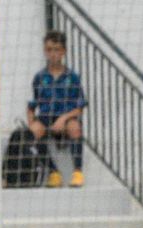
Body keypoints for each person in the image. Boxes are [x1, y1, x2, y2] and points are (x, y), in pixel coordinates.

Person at [27, 30, 87, 188]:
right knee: (32, 131)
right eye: (49, 50)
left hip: (66, 117)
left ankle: (78, 172)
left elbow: (80, 107)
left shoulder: (72, 77)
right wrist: (31, 120)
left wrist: (63, 119)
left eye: (57, 49)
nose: (53, 54)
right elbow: (32, 105)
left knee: (75, 127)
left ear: (64, 51)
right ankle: (53, 173)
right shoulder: (39, 77)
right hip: (46, 117)